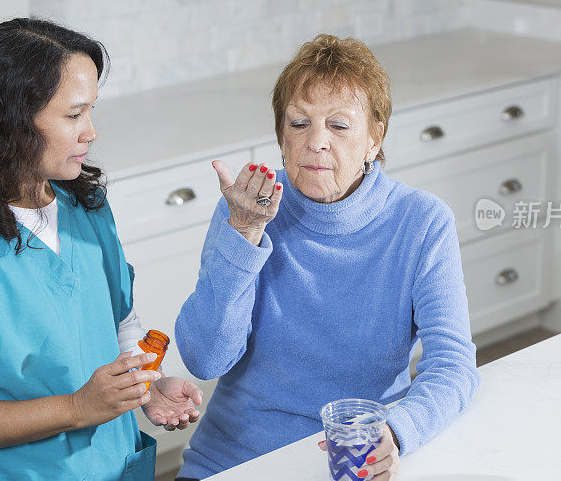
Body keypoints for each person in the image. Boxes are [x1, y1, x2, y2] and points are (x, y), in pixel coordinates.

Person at [0, 18, 202, 480]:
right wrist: (77, 408)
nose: (91, 132)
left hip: (114, 467)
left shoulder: (86, 205)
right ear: (13, 121)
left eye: (91, 111)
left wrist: (146, 387)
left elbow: (118, 323)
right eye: (74, 115)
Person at [174, 34, 480, 480]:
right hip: (237, 460)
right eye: (299, 123)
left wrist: (394, 431)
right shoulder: (246, 208)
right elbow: (205, 359)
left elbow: (453, 365)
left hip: (353, 462)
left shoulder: (422, 223)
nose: (316, 141)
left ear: (375, 137)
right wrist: (244, 234)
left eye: (338, 125)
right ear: (281, 135)